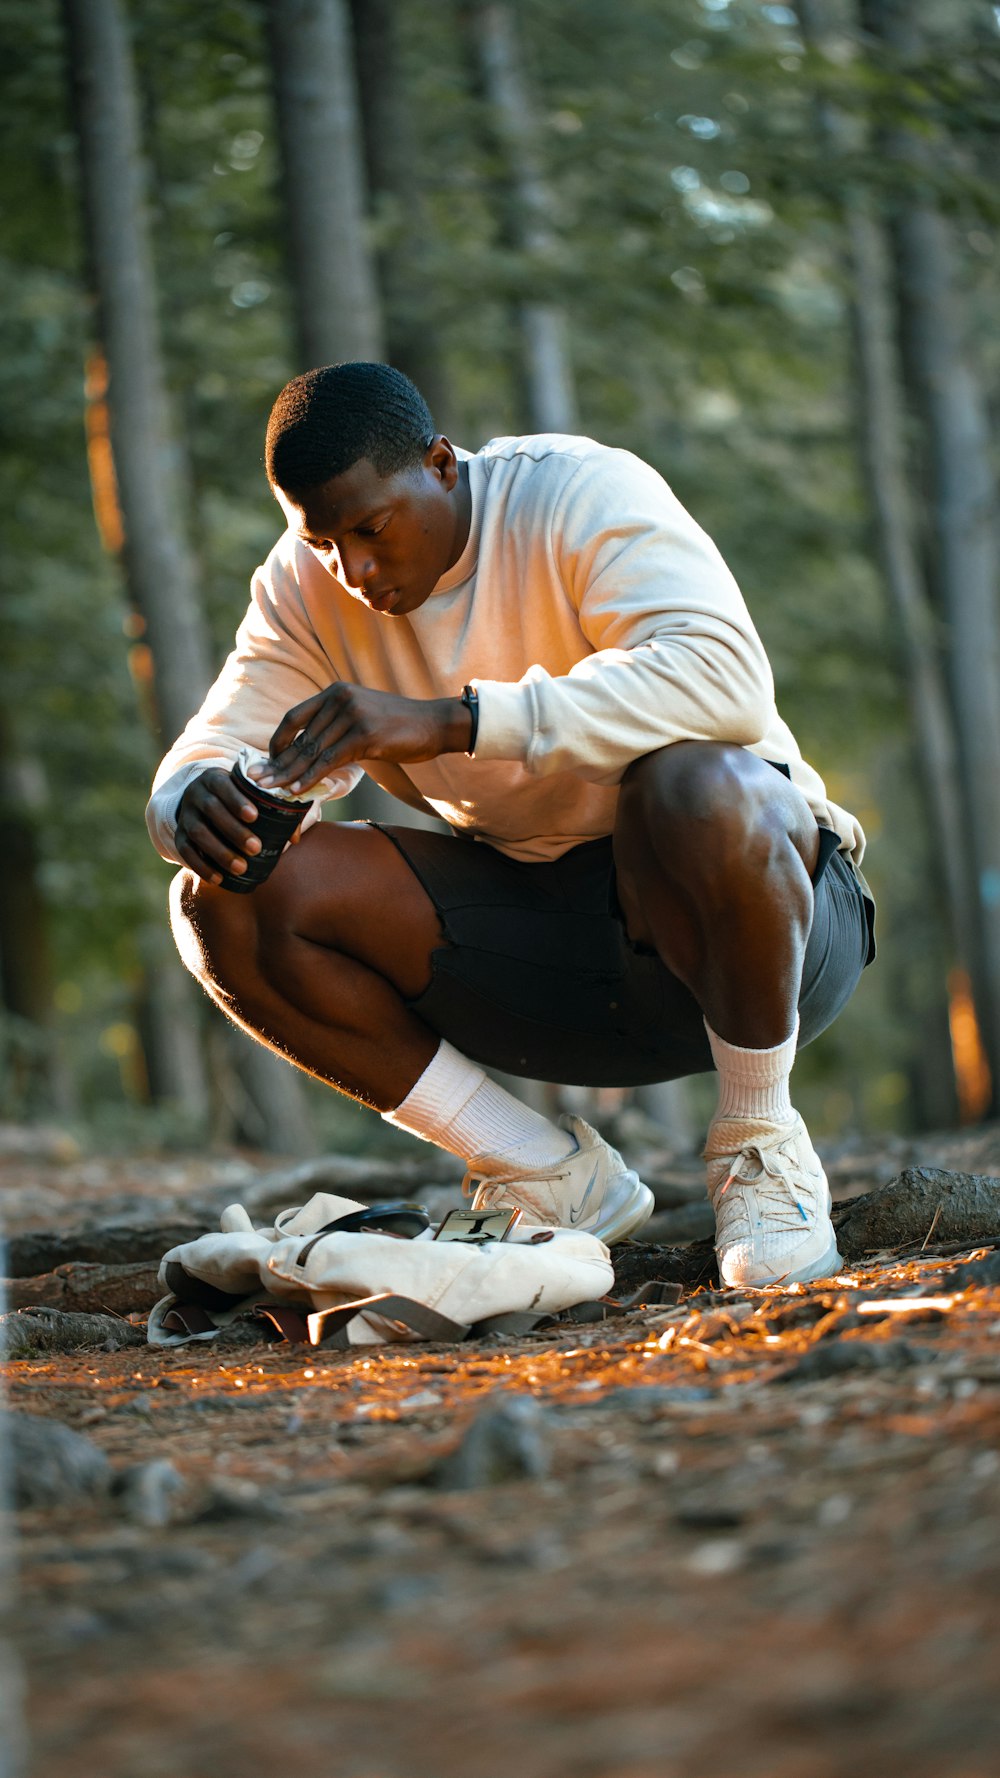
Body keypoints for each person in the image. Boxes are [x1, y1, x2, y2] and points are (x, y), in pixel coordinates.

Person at [147, 361, 875, 1288]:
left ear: (442, 466)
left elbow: (723, 677)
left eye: (371, 528)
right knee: (222, 898)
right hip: (554, 958)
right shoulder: (304, 589)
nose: (353, 570)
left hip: (770, 929)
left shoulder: (573, 491)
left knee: (692, 783)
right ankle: (546, 1174)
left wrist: (455, 718)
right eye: (323, 541)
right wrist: (192, 803)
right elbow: (204, 750)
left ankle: (760, 1146)